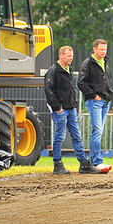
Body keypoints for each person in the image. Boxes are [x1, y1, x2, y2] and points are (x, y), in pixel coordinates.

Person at [44, 46, 101, 175]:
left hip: (70, 109)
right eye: (69, 56)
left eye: (72, 55)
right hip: (61, 110)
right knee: (59, 136)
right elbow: (49, 90)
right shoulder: (53, 71)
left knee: (76, 136)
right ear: (61, 56)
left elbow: (70, 90)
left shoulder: (68, 70)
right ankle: (57, 164)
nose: (72, 58)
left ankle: (83, 164)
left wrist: (73, 104)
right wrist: (57, 108)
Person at [78, 39, 113, 174]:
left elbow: (108, 79)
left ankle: (97, 160)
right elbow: (81, 83)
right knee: (97, 130)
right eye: (101, 49)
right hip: (95, 102)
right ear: (94, 49)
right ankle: (96, 161)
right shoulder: (87, 64)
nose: (103, 52)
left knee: (100, 130)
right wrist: (93, 95)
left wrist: (109, 94)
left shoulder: (105, 62)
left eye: (105, 49)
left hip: (106, 101)